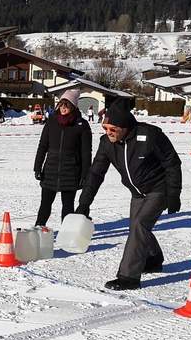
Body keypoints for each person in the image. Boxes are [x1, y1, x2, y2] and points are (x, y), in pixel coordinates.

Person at [75, 101, 182, 291]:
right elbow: (95, 174)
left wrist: (174, 194)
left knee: (140, 225)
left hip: (159, 189)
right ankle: (153, 258)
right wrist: (84, 204)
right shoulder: (106, 144)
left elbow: (172, 163)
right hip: (137, 193)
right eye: (105, 128)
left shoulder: (150, 135)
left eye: (113, 128)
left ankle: (128, 277)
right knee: (136, 226)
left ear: (125, 127)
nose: (109, 132)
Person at [33, 89, 91, 227]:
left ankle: (67, 232)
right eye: (61, 104)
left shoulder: (82, 125)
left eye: (67, 104)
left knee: (68, 207)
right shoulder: (51, 121)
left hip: (71, 171)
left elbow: (86, 152)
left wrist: (85, 174)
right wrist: (37, 166)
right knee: (45, 204)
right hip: (50, 170)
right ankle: (38, 228)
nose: (63, 107)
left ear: (74, 106)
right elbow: (42, 146)